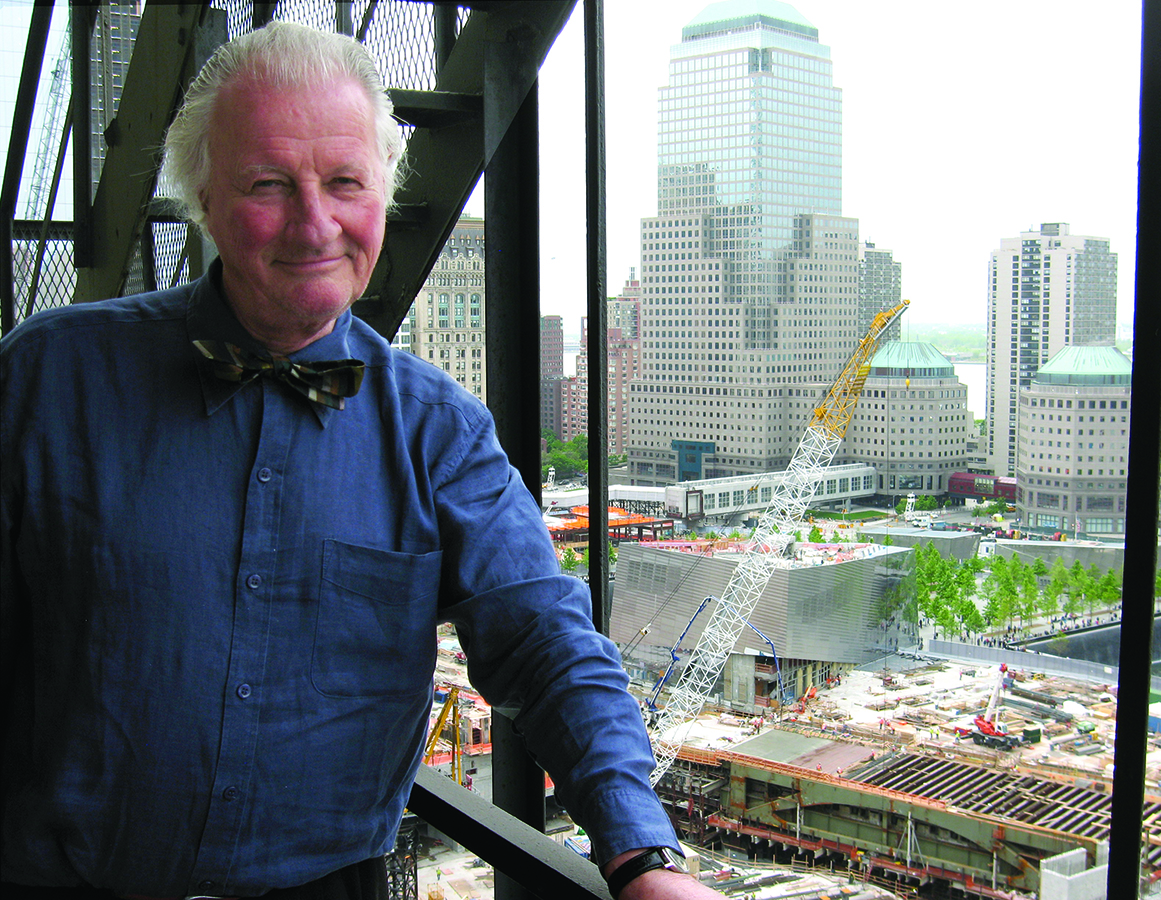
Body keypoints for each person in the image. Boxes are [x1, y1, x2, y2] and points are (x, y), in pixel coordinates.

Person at [1, 22, 720, 900]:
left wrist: (642, 855)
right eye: (268, 184)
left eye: (346, 182)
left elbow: (545, 643)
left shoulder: (439, 429)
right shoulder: (46, 379)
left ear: (383, 192)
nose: (315, 224)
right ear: (203, 195)